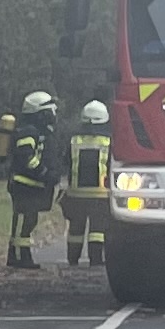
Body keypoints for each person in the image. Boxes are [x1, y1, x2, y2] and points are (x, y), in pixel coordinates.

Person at [3, 90, 63, 269]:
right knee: (23, 220)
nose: (53, 115)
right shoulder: (28, 131)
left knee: (29, 220)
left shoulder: (40, 132)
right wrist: (44, 172)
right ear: (40, 113)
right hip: (24, 185)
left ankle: (21, 255)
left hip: (33, 185)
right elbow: (26, 157)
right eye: (50, 111)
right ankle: (18, 257)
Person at [64, 98, 114, 266]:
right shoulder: (109, 140)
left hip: (76, 193)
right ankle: (96, 259)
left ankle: (72, 259)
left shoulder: (74, 140)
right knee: (98, 229)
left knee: (76, 229)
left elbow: (66, 162)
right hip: (100, 194)